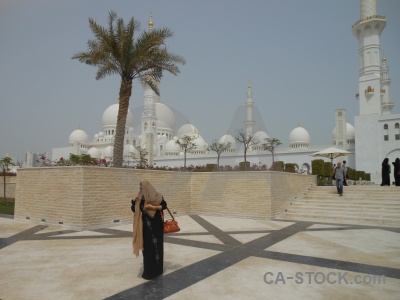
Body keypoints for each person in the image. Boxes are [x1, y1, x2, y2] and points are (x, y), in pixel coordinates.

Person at [131, 181, 167, 280]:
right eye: (140, 188)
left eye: (142, 188)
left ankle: (158, 270)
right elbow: (134, 210)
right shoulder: (141, 199)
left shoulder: (158, 196)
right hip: (146, 228)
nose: (140, 190)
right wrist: (134, 201)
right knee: (147, 249)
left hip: (157, 227)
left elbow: (164, 206)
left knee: (157, 247)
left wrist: (153, 207)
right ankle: (148, 272)